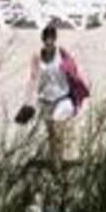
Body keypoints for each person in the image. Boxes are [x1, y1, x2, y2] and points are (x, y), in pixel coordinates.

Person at [25, 21, 89, 163]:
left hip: (62, 98)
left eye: (51, 38)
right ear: (43, 40)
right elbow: (33, 78)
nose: (49, 42)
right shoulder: (37, 56)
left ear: (55, 39)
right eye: (46, 39)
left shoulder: (61, 53)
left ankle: (58, 164)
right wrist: (28, 101)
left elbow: (73, 70)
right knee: (52, 135)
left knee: (57, 130)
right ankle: (56, 161)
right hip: (45, 100)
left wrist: (76, 84)